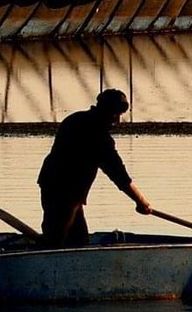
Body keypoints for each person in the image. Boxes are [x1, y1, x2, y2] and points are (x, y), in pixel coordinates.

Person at [37, 88, 151, 247]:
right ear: (105, 110)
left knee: (78, 239)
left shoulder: (74, 119)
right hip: (66, 189)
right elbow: (118, 174)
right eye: (115, 115)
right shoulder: (98, 135)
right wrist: (141, 201)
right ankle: (49, 256)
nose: (117, 121)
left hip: (55, 184)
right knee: (58, 236)